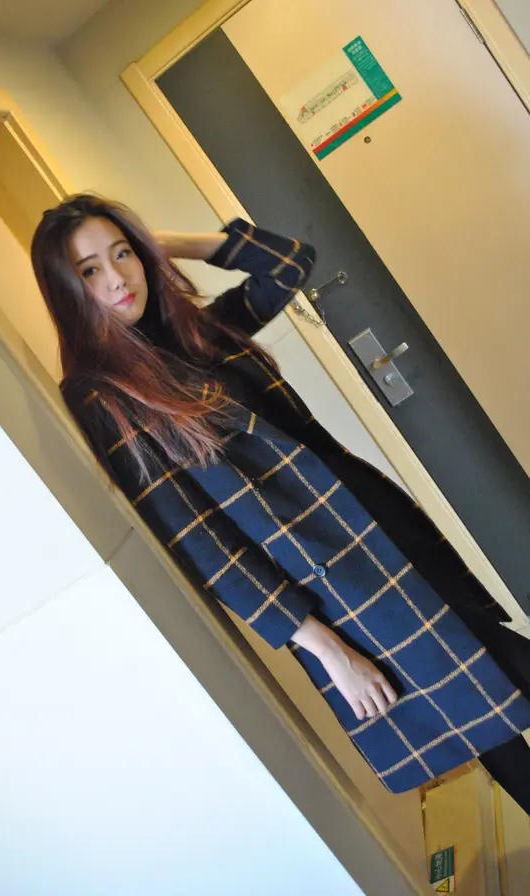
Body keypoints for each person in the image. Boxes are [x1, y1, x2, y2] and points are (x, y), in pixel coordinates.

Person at [32, 193, 530, 812]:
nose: (116, 279)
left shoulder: (198, 331)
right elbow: (202, 545)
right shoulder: (103, 394)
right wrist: (325, 649)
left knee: (483, 705)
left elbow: (290, 263)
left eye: (123, 254)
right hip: (337, 580)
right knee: (494, 687)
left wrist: (159, 244)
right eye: (89, 270)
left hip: (381, 522)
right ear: (67, 290)